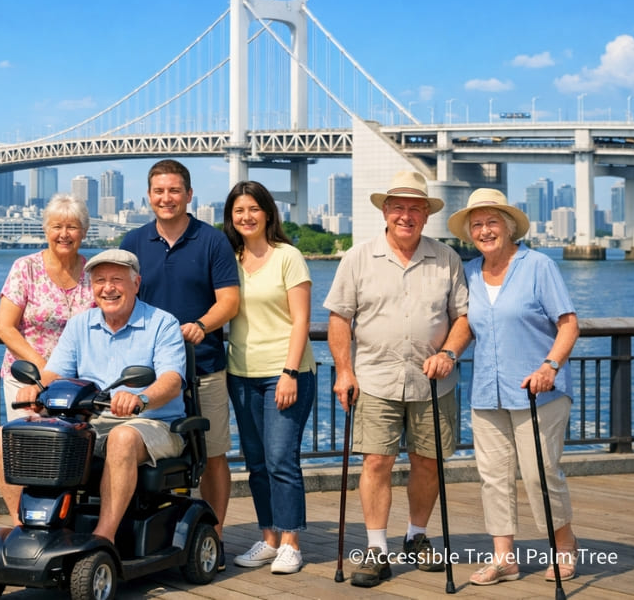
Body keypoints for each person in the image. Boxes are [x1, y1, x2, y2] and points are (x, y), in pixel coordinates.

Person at [323, 170, 469, 588]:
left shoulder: (447, 258)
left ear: (426, 216)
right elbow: (339, 318)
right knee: (376, 462)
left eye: (415, 209)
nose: (406, 215)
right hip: (374, 379)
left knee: (428, 462)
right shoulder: (357, 257)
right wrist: (344, 371)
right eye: (399, 207)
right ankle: (375, 549)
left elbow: (463, 319)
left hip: (433, 382)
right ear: (385, 212)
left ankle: (416, 536)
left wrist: (449, 352)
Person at [0, 249, 187, 543]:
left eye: (117, 280)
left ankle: (102, 538)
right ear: (92, 288)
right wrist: (36, 388)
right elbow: (55, 372)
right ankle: (24, 529)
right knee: (1, 438)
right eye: (100, 281)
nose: (108, 288)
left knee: (122, 438)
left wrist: (140, 398)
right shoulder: (81, 324)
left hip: (153, 423)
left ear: (136, 283)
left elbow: (172, 380)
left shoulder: (162, 323)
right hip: (92, 424)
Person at [446, 189, 580, 585]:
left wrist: (550, 365)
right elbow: (467, 324)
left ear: (508, 227)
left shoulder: (538, 266)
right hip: (488, 391)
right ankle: (504, 558)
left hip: (539, 392)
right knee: (493, 476)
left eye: (491, 223)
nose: (484, 231)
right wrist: (448, 355)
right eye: (477, 225)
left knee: (540, 473)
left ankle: (564, 546)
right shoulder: (470, 272)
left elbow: (568, 323)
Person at [120, 159, 239, 568]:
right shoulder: (132, 243)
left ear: (189, 195)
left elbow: (229, 301)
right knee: (145, 450)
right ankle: (146, 535)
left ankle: (214, 538)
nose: (166, 198)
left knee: (212, 455)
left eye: (174, 191)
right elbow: (116, 300)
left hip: (203, 368)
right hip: (148, 377)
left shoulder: (213, 241)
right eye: (158, 191)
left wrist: (201, 327)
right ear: (148, 196)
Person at [221, 181, 316, 575]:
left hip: (284, 373)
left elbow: (302, 320)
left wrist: (289, 372)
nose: (246, 217)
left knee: (281, 460)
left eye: (253, 209)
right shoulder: (230, 258)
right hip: (240, 373)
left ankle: (291, 541)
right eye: (238, 211)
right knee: (257, 462)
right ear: (231, 217)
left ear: (268, 213)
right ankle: (270, 538)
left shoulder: (288, 256)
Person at [0, 193, 94, 420]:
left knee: (76, 447)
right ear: (45, 230)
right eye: (56, 226)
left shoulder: (93, 273)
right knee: (31, 445)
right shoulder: (25, 268)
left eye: (72, 227)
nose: (64, 234)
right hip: (28, 378)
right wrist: (45, 368)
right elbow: (5, 328)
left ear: (85, 232)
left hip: (76, 381)